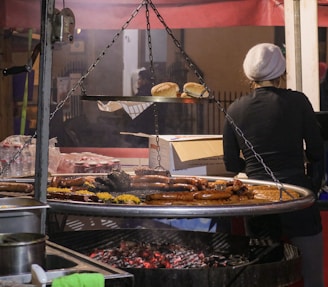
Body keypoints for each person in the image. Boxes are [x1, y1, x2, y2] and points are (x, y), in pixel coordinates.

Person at [223, 43, 325, 287]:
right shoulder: (298, 101)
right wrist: (310, 180)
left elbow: (230, 162)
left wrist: (253, 168)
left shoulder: (235, 108)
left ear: (249, 75)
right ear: (282, 72)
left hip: (258, 200)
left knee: (263, 275)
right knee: (311, 274)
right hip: (297, 195)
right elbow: (316, 151)